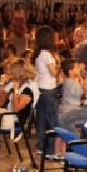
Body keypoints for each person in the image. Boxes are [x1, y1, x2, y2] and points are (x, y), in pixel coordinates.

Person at [34, 26, 60, 155]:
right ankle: (50, 149)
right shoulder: (47, 54)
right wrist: (58, 64)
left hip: (40, 89)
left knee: (41, 120)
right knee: (51, 120)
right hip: (49, 90)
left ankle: (41, 146)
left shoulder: (38, 53)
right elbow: (54, 72)